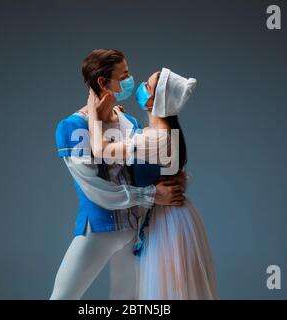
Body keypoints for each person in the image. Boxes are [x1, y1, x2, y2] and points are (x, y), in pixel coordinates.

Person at [50, 49, 186, 300]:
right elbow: (96, 189)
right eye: (124, 75)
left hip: (136, 232)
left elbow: (144, 167)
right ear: (103, 82)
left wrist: (171, 179)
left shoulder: (129, 121)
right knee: (63, 297)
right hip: (99, 228)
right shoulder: (74, 127)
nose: (131, 80)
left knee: (128, 301)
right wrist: (153, 194)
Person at [87, 67, 218, 299]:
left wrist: (94, 114)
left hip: (167, 222)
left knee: (167, 289)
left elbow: (102, 150)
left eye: (146, 87)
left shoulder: (157, 138)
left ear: (154, 103)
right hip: (174, 216)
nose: (140, 88)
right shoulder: (158, 133)